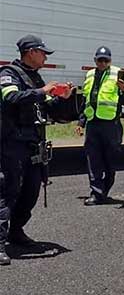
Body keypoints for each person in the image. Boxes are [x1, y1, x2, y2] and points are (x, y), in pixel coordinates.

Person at [0, 35, 73, 266]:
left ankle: (16, 231)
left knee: (31, 191)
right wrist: (43, 91)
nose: (45, 57)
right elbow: (10, 97)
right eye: (43, 53)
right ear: (30, 52)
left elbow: (46, 108)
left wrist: (61, 98)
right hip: (11, 144)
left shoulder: (35, 76)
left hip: (32, 144)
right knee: (7, 191)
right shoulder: (8, 74)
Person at [76, 46, 124, 205]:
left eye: (105, 60)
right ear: (95, 60)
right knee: (93, 159)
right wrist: (81, 121)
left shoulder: (117, 73)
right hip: (93, 123)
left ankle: (104, 189)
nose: (102, 63)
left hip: (111, 125)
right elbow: (87, 100)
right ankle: (96, 193)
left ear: (110, 61)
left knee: (110, 160)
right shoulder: (90, 74)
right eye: (100, 60)